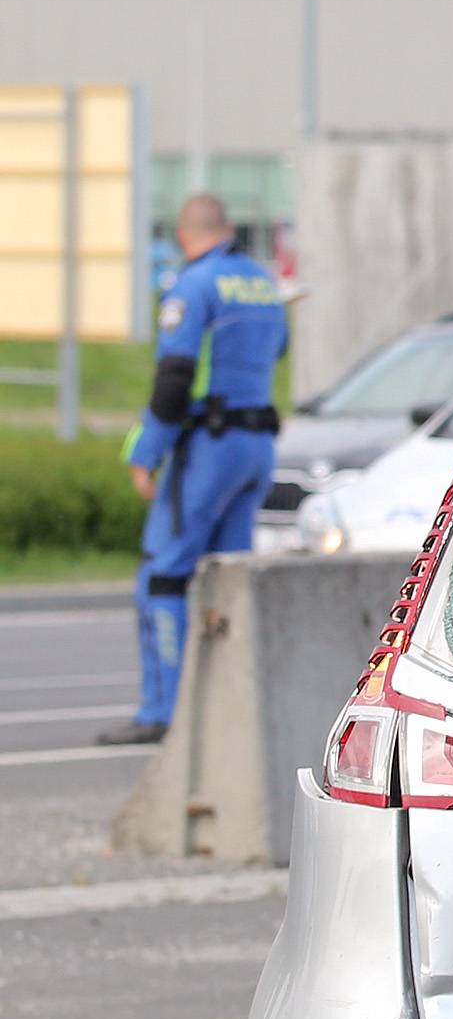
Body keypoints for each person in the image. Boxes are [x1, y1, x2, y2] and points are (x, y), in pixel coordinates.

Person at [98, 194, 289, 746]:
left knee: (164, 573)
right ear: (228, 228)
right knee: (227, 578)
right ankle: (224, 712)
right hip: (257, 449)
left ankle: (165, 713)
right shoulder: (263, 285)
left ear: (185, 235)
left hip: (209, 447)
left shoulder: (192, 287)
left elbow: (175, 381)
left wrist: (145, 451)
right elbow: (273, 355)